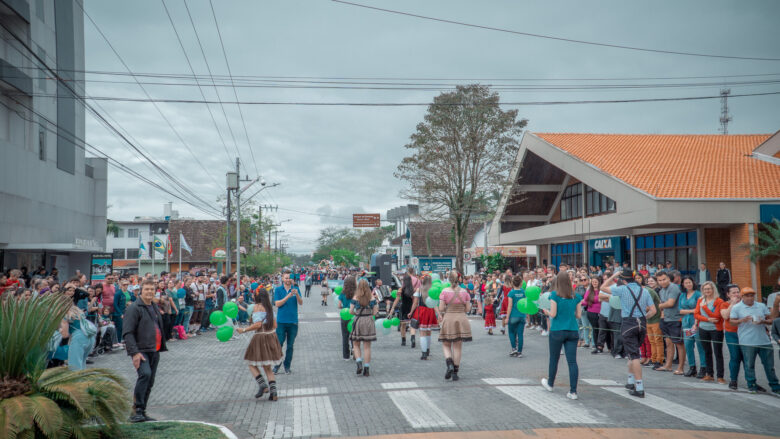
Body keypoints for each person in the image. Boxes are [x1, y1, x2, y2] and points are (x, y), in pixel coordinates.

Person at [600, 270, 656, 398]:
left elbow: (603, 288)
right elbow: (653, 310)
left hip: (628, 323)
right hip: (641, 324)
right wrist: (643, 318)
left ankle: (639, 387)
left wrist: (613, 275)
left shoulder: (622, 289)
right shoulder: (645, 290)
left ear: (623, 280)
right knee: (632, 353)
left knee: (634, 355)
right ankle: (630, 382)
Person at [123, 280, 167, 423]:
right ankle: (137, 410)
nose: (149, 292)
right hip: (141, 350)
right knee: (145, 375)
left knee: (150, 380)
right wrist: (134, 353)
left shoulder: (153, 306)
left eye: (152, 289)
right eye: (147, 289)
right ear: (141, 291)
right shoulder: (134, 308)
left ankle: (143, 410)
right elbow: (128, 333)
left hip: (155, 349)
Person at [729, 287, 780, 395]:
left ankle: (775, 386)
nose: (750, 298)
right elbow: (732, 322)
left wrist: (763, 321)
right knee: (749, 365)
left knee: (769, 366)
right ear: (742, 297)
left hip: (764, 341)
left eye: (752, 295)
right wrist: (742, 320)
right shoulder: (737, 308)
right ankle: (751, 385)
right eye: (747, 296)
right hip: (747, 341)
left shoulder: (761, 306)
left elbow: (771, 320)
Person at [541, 270, 583, 400]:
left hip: (557, 330)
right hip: (572, 330)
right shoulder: (576, 296)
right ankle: (573, 391)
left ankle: (550, 384)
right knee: (572, 362)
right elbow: (578, 315)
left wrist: (545, 310)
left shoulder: (554, 295)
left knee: (554, 358)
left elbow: (553, 314)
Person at [237, 289, 283, 401]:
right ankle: (274, 392)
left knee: (250, 362)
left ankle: (262, 385)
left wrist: (244, 330)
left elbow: (257, 325)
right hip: (271, 336)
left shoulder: (257, 307)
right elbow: (275, 325)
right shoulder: (270, 307)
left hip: (261, 337)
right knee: (267, 367)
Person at [438, 271, 472, 381]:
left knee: (446, 344)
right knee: (458, 346)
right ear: (459, 279)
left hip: (449, 318)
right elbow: (467, 309)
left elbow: (441, 309)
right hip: (461, 318)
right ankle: (455, 372)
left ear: (449, 279)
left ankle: (449, 365)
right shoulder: (464, 292)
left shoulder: (444, 291)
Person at [693, 280, 725, 383]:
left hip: (716, 329)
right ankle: (709, 374)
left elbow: (716, 316)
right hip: (703, 328)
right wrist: (707, 319)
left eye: (709, 289)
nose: (707, 291)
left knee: (718, 353)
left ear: (713, 289)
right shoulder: (700, 300)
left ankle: (720, 376)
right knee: (707, 352)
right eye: (705, 289)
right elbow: (696, 314)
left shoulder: (719, 301)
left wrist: (705, 308)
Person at [656, 271, 686, 375]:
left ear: (669, 278)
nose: (662, 282)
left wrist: (658, 306)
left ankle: (680, 368)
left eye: (664, 279)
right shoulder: (661, 290)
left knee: (679, 344)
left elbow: (670, 303)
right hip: (666, 319)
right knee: (668, 343)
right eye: (659, 280)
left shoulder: (673, 288)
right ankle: (668, 365)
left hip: (676, 319)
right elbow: (664, 304)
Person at [273, 272, 303, 374]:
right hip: (281, 322)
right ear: (282, 279)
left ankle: (287, 366)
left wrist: (297, 294)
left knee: (290, 346)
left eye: (289, 278)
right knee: (279, 344)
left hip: (293, 322)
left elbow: (301, 303)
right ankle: (277, 365)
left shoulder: (296, 289)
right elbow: (277, 304)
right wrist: (288, 296)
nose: (288, 280)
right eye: (286, 278)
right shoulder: (278, 289)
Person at [679, 276, 706, 378]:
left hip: (696, 323)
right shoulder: (682, 295)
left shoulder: (698, 294)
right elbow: (680, 310)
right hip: (686, 323)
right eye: (686, 283)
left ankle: (703, 367)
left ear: (693, 282)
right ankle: (692, 367)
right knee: (688, 345)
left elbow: (700, 310)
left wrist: (694, 311)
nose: (688, 284)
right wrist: (692, 311)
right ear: (683, 284)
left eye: (689, 282)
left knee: (700, 345)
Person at [351, 279, 378, 376]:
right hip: (368, 320)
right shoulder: (372, 298)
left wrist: (356, 313)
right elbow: (375, 312)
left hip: (358, 320)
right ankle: (366, 368)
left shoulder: (355, 297)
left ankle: (359, 363)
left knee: (356, 344)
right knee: (367, 347)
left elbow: (350, 311)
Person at [409, 275, 438, 360]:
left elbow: (415, 303)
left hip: (421, 310)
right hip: (430, 311)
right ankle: (428, 350)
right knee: (428, 332)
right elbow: (435, 303)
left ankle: (424, 353)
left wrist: (411, 312)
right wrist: (439, 314)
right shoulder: (433, 290)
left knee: (422, 333)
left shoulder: (419, 289)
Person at [389, 273, 416, 348]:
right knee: (412, 325)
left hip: (403, 307)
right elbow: (414, 301)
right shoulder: (413, 290)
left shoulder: (401, 289)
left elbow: (397, 300)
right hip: (411, 307)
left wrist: (392, 309)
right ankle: (413, 338)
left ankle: (403, 340)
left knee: (403, 325)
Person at [503, 275, 526, 357]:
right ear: (520, 283)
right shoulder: (523, 292)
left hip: (513, 315)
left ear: (512, 283)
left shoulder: (511, 293)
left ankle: (514, 349)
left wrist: (507, 317)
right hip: (522, 315)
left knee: (511, 333)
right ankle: (520, 352)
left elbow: (509, 306)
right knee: (520, 334)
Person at [338, 276, 357, 361]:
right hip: (354, 315)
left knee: (345, 336)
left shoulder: (342, 293)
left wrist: (343, 307)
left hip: (344, 316)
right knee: (354, 335)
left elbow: (339, 305)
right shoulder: (356, 292)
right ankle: (355, 351)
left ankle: (346, 356)